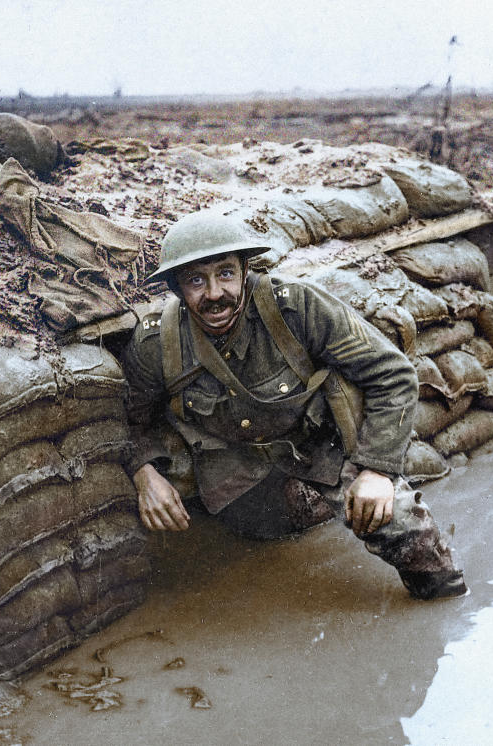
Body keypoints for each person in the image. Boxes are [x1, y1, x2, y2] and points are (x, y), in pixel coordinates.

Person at [120, 206, 466, 600]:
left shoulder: (295, 307)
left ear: (246, 269)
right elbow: (131, 419)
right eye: (196, 280)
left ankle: (440, 593)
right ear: (177, 289)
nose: (214, 293)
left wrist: (377, 470)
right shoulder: (156, 343)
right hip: (235, 473)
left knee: (402, 526)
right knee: (258, 538)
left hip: (319, 447)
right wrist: (143, 471)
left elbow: (393, 373)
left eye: (226, 273)